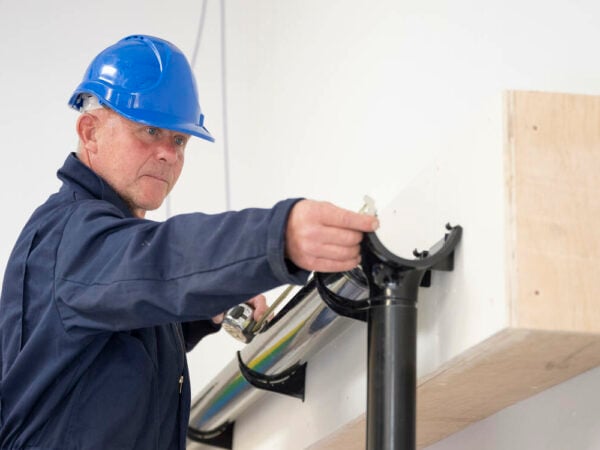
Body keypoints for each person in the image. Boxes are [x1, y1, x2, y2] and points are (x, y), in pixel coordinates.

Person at [0, 35, 378, 449]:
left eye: (179, 140)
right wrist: (278, 236)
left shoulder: (106, 262)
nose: (169, 154)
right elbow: (160, 259)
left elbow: (118, 334)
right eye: (149, 131)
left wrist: (205, 313)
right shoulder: (69, 234)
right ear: (90, 132)